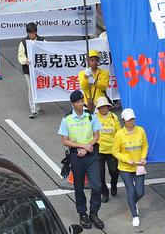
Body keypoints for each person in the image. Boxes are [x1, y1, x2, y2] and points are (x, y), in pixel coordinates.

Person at [59, 89, 103, 230]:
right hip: (76, 156)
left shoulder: (90, 116)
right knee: (79, 187)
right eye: (78, 102)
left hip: (91, 154)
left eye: (82, 100)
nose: (81, 103)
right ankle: (82, 213)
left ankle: (94, 213)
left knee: (97, 185)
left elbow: (97, 135)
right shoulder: (67, 119)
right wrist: (80, 146)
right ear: (72, 104)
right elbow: (64, 141)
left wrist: (88, 146)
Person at [93, 97, 120, 203]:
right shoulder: (94, 118)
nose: (103, 109)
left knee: (114, 171)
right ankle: (104, 192)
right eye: (101, 107)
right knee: (100, 174)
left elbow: (119, 132)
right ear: (98, 108)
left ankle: (114, 185)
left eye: (105, 106)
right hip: (99, 150)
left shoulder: (114, 117)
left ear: (109, 107)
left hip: (112, 150)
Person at [18, 22, 42, 118]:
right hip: (27, 70)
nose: (31, 35)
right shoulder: (23, 43)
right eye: (30, 33)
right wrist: (25, 61)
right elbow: (20, 56)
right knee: (31, 88)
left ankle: (38, 106)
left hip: (39, 70)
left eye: (33, 33)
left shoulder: (42, 40)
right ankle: (33, 109)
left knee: (39, 88)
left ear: (36, 32)